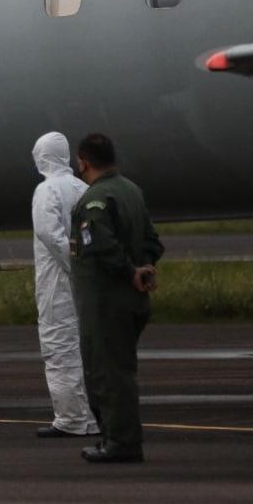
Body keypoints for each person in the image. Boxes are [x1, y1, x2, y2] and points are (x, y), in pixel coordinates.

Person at [70, 133, 163, 464]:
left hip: (108, 302)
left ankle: (121, 442)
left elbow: (99, 243)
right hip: (134, 302)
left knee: (108, 374)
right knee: (119, 370)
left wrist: (128, 272)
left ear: (83, 161)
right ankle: (117, 438)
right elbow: (153, 239)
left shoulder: (95, 198)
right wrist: (146, 265)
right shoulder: (131, 190)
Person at [30, 133, 98, 439]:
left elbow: (49, 234)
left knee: (59, 348)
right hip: (87, 281)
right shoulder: (84, 188)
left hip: (58, 281)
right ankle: (93, 417)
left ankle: (71, 418)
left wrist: (73, 267)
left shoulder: (46, 191)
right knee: (87, 348)